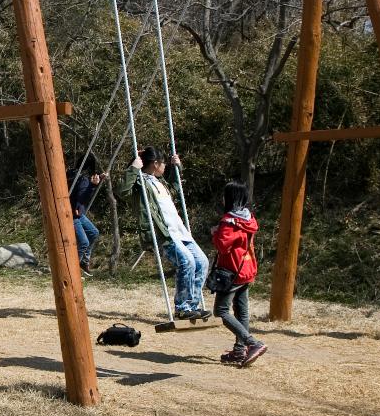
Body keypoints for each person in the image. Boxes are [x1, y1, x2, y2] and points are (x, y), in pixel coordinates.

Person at [117, 147, 209, 319]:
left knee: (202, 262)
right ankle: (182, 308)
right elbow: (122, 191)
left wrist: (176, 169)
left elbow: (176, 189)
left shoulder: (160, 182)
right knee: (186, 262)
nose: (165, 166)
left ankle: (192, 305)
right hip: (163, 233)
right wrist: (134, 168)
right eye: (164, 163)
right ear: (155, 163)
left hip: (180, 231)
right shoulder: (140, 184)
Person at [210, 181, 266, 367]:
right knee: (242, 312)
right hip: (246, 269)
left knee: (221, 311)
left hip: (231, 272)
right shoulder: (248, 219)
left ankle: (253, 343)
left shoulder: (229, 221)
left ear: (229, 198)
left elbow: (222, 247)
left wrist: (215, 233)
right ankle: (239, 351)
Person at [68, 153, 104, 276]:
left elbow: (77, 189)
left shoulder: (72, 173)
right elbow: (82, 196)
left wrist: (98, 178)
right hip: (73, 214)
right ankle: (73, 269)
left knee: (94, 232)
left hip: (76, 212)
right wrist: (93, 186)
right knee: (84, 242)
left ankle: (84, 261)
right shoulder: (83, 178)